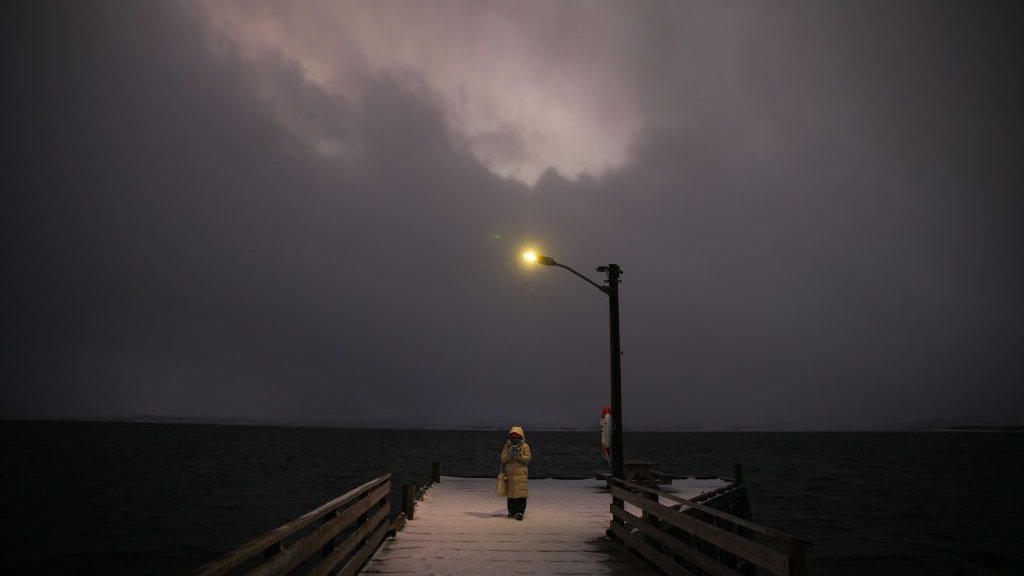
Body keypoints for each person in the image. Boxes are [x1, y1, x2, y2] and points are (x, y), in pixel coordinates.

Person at [500, 425, 532, 520]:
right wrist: (510, 455)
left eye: (517, 437)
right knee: (511, 494)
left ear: (521, 437)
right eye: (513, 437)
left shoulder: (525, 446)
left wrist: (519, 455)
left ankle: (520, 512)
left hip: (521, 474)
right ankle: (511, 511)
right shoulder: (507, 446)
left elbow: (528, 459)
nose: (515, 439)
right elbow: (503, 458)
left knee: (521, 494)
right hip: (510, 473)